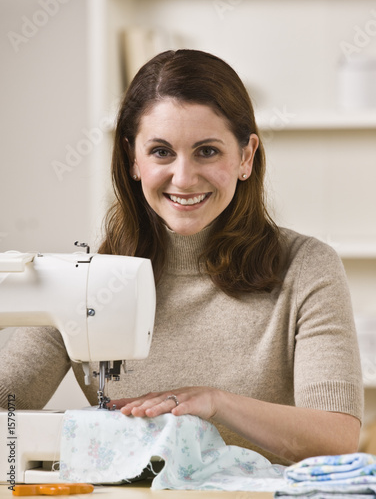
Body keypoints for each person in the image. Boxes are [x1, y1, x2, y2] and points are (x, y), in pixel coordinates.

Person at [0, 49, 363, 465]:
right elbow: (7, 400)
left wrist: (215, 403)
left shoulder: (307, 268)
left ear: (245, 157)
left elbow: (336, 438)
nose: (184, 177)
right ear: (132, 159)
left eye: (207, 151)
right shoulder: (84, 283)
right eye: (161, 152)